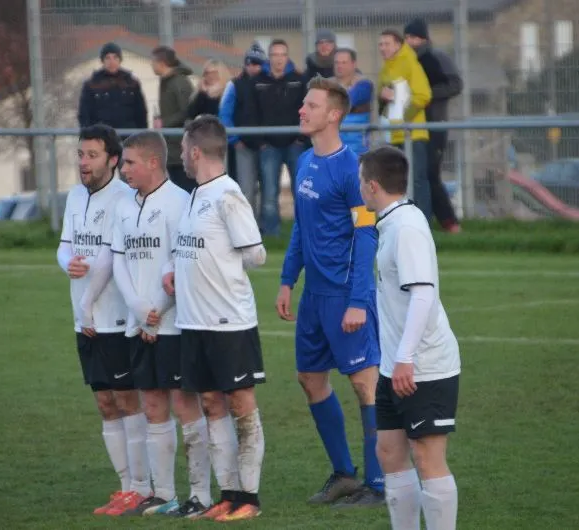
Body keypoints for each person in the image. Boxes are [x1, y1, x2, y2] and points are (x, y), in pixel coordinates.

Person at [275, 76, 384, 508]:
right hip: (313, 297)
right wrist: (288, 279)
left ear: (334, 115)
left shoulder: (351, 169)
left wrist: (358, 301)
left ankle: (378, 484)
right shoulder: (304, 161)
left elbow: (366, 235)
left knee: (364, 384)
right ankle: (344, 475)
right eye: (304, 104)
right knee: (310, 379)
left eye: (312, 105)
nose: (302, 110)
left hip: (344, 294)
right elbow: (300, 228)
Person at [162, 115, 267, 521]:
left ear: (194, 152)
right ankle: (228, 493)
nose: (180, 157)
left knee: (240, 402)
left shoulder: (227, 195)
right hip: (194, 321)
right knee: (210, 403)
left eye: (182, 150)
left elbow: (256, 254)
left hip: (228, 322)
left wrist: (221, 268)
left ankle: (250, 499)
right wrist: (177, 270)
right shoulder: (195, 195)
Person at [358, 145, 461, 530]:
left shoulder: (406, 228)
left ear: (372, 185)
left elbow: (422, 294)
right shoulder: (392, 222)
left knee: (427, 457)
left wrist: (405, 357)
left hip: (424, 366)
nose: (359, 189)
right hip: (395, 365)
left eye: (360, 182)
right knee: (388, 451)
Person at [111, 130, 212, 518]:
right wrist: (139, 309)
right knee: (152, 405)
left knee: (185, 405)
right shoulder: (125, 205)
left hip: (172, 324)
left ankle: (200, 493)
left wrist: (157, 309)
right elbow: (119, 260)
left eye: (130, 163)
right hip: (139, 323)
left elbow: (182, 266)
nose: (124, 169)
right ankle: (164, 493)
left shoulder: (180, 203)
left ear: (153, 162)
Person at [56, 124, 150, 516]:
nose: (83, 162)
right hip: (85, 318)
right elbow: (63, 247)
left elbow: (112, 260)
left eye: (92, 155)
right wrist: (69, 264)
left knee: (128, 400)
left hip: (115, 317)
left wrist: (88, 302)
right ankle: (125, 486)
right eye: (80, 154)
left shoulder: (125, 199)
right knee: (105, 403)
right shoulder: (75, 196)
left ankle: (141, 487)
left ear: (112, 160)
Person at [404, 19, 463, 233]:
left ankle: (449, 221)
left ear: (424, 38)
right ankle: (433, 220)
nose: (409, 42)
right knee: (419, 173)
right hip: (413, 126)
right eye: (407, 37)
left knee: (430, 172)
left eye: (413, 37)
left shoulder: (437, 58)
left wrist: (428, 95)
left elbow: (455, 85)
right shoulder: (405, 62)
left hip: (434, 123)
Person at [377, 29, 433, 223]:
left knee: (416, 181)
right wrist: (383, 99)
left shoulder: (410, 63)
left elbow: (423, 95)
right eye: (380, 44)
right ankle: (401, 222)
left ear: (398, 45)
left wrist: (405, 119)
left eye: (387, 44)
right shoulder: (386, 67)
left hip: (412, 134)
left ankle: (423, 224)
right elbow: (385, 100)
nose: (382, 48)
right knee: (396, 184)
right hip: (393, 135)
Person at [253, 38, 307, 236]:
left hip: (295, 144)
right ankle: (271, 235)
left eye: (282, 55)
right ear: (269, 57)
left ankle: (303, 231)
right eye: (275, 55)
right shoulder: (257, 81)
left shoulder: (299, 80)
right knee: (269, 192)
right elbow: (252, 112)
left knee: (301, 191)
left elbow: (306, 109)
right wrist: (260, 142)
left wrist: (301, 138)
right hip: (268, 146)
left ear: (287, 56)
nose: (279, 59)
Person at [219, 43, 267, 211]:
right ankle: (247, 223)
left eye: (257, 63)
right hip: (243, 145)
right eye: (250, 63)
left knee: (267, 190)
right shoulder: (235, 85)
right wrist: (234, 139)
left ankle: (265, 223)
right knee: (246, 190)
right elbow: (224, 114)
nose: (253, 67)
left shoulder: (269, 83)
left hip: (267, 145)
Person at [77, 42, 148, 134]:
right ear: (102, 60)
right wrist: (88, 135)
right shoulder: (92, 84)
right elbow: (84, 114)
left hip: (128, 135)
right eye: (108, 58)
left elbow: (141, 112)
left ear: (120, 60)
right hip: (102, 136)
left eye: (115, 57)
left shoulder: (131, 83)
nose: (112, 62)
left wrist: (143, 135)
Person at [151, 46, 195, 193]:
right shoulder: (166, 81)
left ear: (162, 62)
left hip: (180, 145)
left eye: (153, 61)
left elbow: (187, 111)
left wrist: (164, 123)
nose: (151, 65)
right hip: (171, 146)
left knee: (185, 187)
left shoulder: (179, 82)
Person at [333, 48, 374, 155]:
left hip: (357, 148)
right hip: (333, 147)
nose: (339, 66)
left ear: (353, 64)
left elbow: (349, 101)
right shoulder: (327, 84)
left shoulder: (364, 84)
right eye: (337, 62)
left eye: (344, 62)